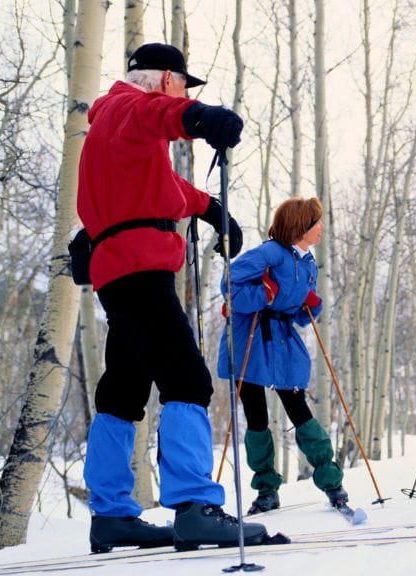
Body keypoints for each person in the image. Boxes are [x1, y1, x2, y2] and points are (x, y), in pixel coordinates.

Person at [78, 42, 270, 553]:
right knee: (186, 378)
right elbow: (159, 114)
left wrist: (212, 210)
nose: (185, 91)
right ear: (167, 79)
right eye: (185, 84)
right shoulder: (126, 106)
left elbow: (163, 190)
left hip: (120, 267)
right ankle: (194, 506)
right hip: (140, 268)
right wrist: (199, 117)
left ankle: (112, 514)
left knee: (123, 388)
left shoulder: (113, 128)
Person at [217, 197, 350, 514]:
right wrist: (262, 294)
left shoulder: (307, 263)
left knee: (298, 406)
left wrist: (311, 304)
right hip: (251, 336)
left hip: (283, 339)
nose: (320, 228)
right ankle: (266, 490)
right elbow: (229, 284)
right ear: (300, 226)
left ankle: (332, 482)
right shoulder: (269, 253)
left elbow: (301, 316)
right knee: (256, 414)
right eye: (316, 222)